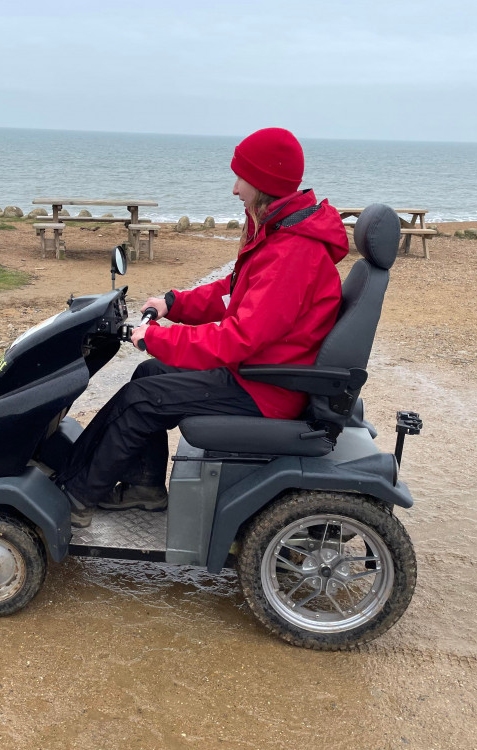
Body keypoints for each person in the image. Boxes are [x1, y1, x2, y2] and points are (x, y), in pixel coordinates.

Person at [55, 127, 350, 527]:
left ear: (264, 184)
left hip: (265, 387)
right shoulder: (282, 236)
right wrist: (174, 304)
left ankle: (73, 496)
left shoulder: (293, 253)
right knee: (147, 375)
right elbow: (234, 294)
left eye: (241, 178)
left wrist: (158, 337)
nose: (235, 189)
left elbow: (240, 337)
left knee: (143, 398)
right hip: (259, 372)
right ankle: (144, 487)